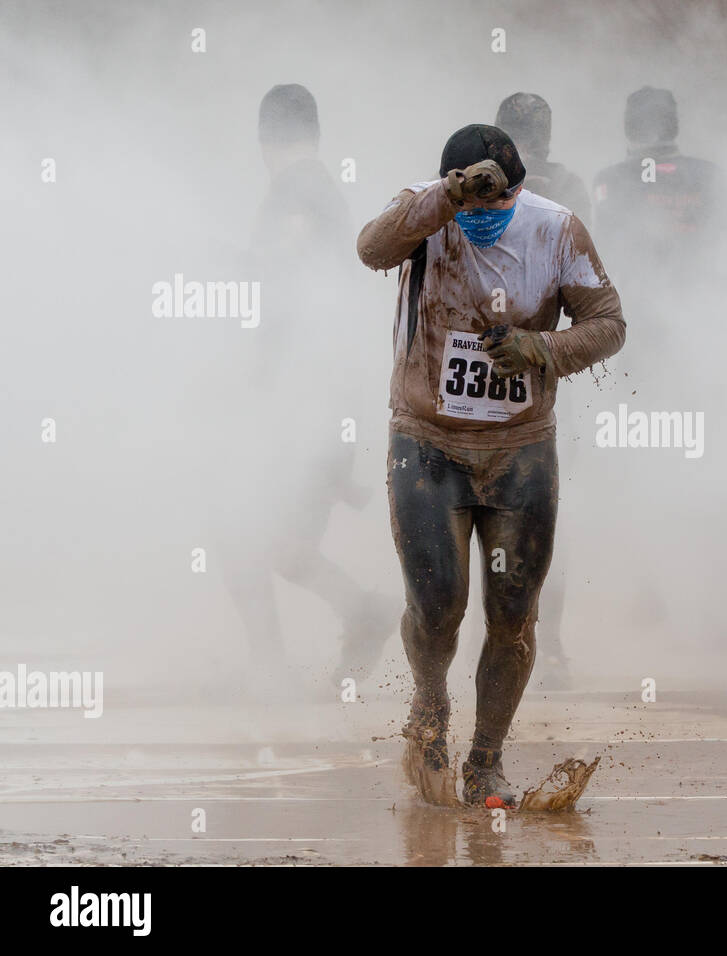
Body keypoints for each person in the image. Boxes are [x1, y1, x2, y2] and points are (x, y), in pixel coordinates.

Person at [356, 124, 625, 806]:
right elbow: (370, 249)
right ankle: (429, 704)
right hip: (428, 441)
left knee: (513, 615)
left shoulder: (557, 229)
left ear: (518, 192)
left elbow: (610, 322)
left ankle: (486, 761)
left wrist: (542, 349)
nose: (481, 217)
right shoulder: (423, 211)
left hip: (520, 451)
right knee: (438, 605)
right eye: (470, 203)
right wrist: (445, 199)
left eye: (493, 204)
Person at [219, 84, 391, 693]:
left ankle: (271, 668)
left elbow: (287, 288)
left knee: (240, 531)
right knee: (281, 543)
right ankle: (359, 614)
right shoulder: (322, 190)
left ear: (264, 137)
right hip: (320, 396)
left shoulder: (296, 192)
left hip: (305, 398)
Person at [494, 91, 590, 689]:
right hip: (545, 370)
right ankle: (543, 643)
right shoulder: (569, 188)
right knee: (539, 513)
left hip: (494, 364)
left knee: (484, 508)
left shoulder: (482, 183)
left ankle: (518, 639)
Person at [591, 86, 722, 283]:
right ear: (673, 125)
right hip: (706, 296)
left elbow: (602, 255)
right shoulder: (710, 175)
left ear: (629, 128)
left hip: (639, 303)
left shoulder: (612, 180)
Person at [495, 92, 591, 223]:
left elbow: (578, 238)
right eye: (514, 141)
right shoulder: (482, 181)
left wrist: (547, 201)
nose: (523, 153)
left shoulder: (567, 185)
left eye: (532, 145)